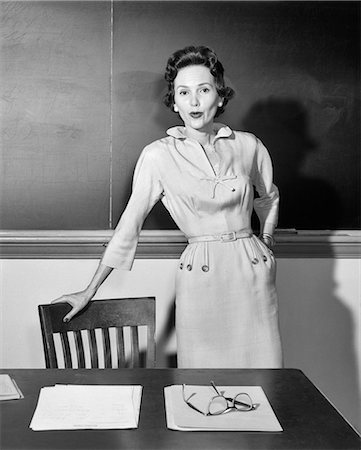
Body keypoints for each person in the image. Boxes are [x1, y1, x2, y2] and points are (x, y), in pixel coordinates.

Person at [52, 45, 283, 368]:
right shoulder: (158, 156)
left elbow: (269, 196)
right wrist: (89, 289)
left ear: (220, 96)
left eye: (204, 90)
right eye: (183, 92)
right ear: (174, 102)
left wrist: (267, 241)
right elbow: (128, 227)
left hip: (252, 270)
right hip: (201, 273)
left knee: (263, 376)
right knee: (205, 379)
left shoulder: (248, 145)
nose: (194, 101)